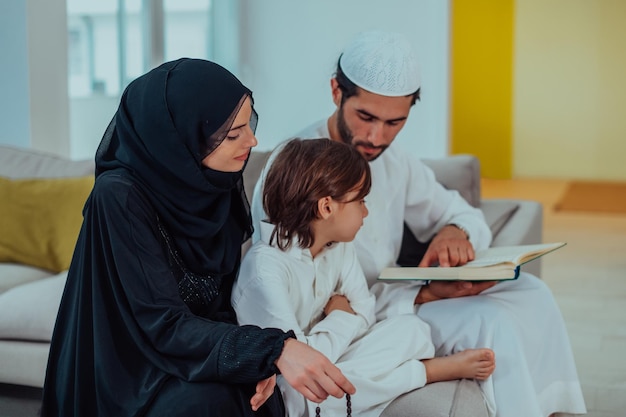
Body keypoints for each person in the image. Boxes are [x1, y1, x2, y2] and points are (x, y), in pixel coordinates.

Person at [250, 31, 587, 417]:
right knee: (494, 321)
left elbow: (464, 215)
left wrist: (453, 234)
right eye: (366, 117)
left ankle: (558, 410)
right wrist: (424, 295)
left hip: (393, 301)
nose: (376, 137)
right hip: (360, 324)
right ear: (335, 92)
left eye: (395, 122)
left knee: (530, 292)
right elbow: (308, 302)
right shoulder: (293, 168)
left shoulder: (398, 163)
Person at [40, 58, 355, 417]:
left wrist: (255, 362)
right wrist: (273, 350)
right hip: (130, 365)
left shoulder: (213, 185)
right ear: (180, 137)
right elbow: (161, 323)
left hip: (189, 352)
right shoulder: (119, 197)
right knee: (210, 403)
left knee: (258, 394)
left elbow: (218, 306)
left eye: (248, 124)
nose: (252, 140)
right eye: (232, 134)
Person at [233, 138, 495, 417]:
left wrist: (342, 322)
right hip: (291, 387)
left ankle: (385, 378)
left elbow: (365, 310)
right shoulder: (265, 271)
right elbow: (300, 363)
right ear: (327, 207)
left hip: (333, 354)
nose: (366, 211)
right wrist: (341, 317)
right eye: (360, 201)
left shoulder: (339, 246)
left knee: (411, 329)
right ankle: (424, 372)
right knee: (314, 392)